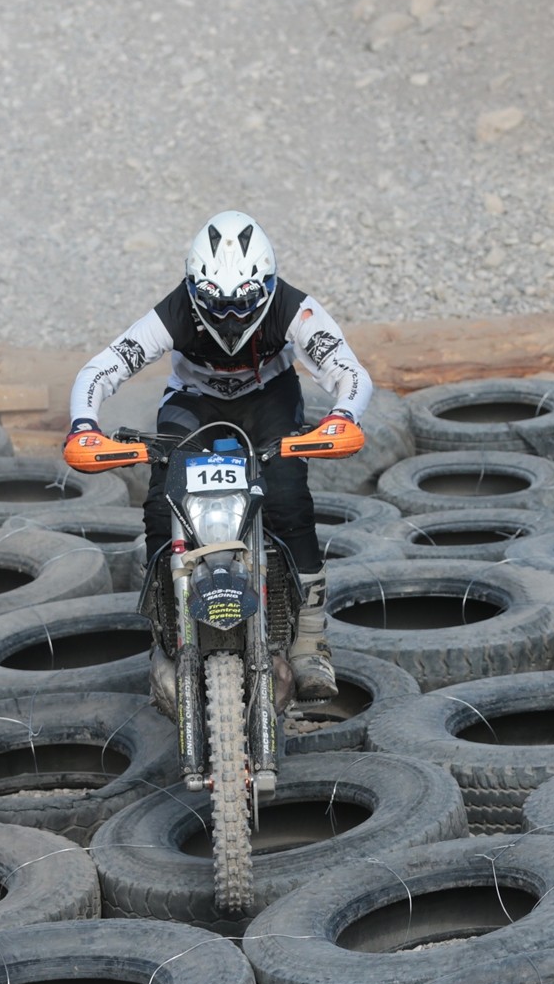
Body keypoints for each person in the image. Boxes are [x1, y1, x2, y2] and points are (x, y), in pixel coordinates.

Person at [64, 209, 373, 700]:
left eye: (244, 305)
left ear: (267, 287)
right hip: (193, 405)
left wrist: (343, 418)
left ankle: (312, 643)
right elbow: (101, 369)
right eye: (216, 304)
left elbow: (348, 370)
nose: (231, 317)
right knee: (160, 504)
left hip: (270, 401)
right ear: (193, 289)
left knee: (288, 498)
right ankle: (166, 636)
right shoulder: (174, 312)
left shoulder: (295, 309)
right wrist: (84, 426)